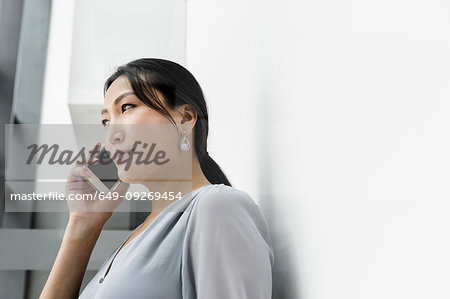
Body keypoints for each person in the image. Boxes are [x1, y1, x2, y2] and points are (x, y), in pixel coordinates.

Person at [40, 58, 274, 299]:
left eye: (127, 107)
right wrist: (82, 224)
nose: (112, 133)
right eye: (105, 121)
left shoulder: (217, 206)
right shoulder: (135, 239)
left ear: (185, 118)